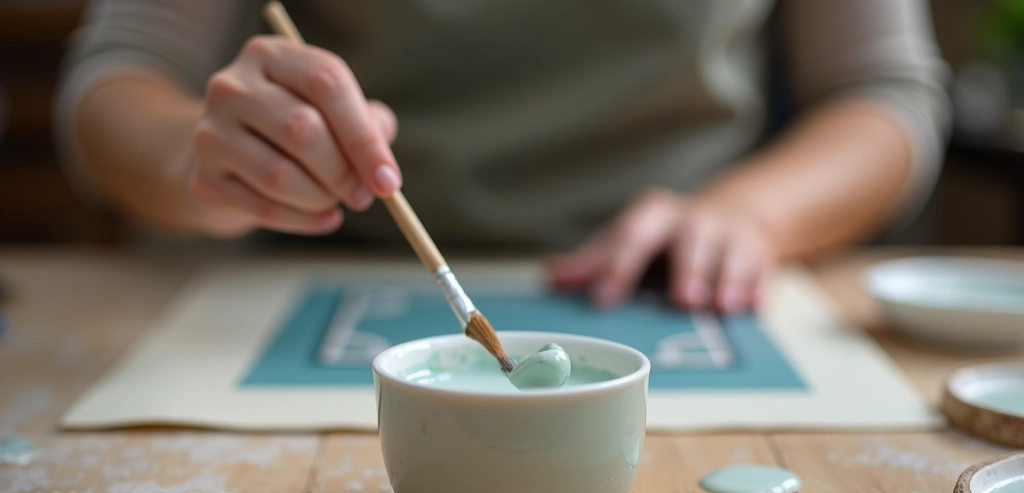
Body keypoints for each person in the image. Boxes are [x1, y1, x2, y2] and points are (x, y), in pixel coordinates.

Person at [56, 0, 949, 313]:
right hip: (309, 279)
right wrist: (202, 164)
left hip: (674, 286)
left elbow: (886, 93)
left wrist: (754, 212)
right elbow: (116, 79)